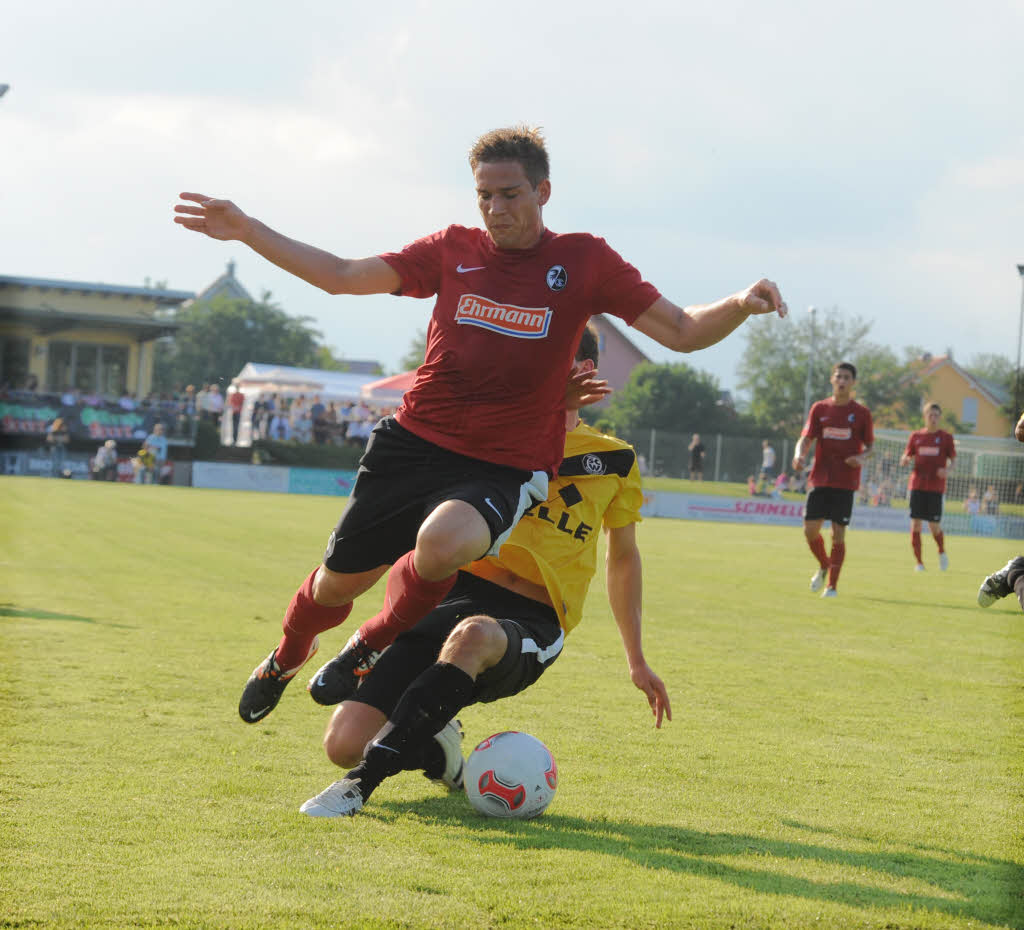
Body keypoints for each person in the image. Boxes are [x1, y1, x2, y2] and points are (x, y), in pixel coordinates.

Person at [173, 125, 787, 724]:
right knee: (334, 587)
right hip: (413, 444)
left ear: (544, 192)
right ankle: (285, 657)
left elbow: (680, 330)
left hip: (504, 463)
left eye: (510, 195)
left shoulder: (584, 261)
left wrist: (739, 304)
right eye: (484, 196)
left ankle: (371, 641)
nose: (495, 209)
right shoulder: (452, 249)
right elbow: (344, 276)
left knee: (442, 545)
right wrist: (248, 231)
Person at [300, 327, 670, 817]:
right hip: (455, 593)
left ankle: (359, 785)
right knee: (342, 742)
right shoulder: (487, 438)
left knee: (473, 636)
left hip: (534, 619)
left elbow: (622, 558)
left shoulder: (616, 458)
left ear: (584, 370)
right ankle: (438, 744)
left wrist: (637, 659)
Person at [792, 361, 873, 598]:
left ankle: (832, 586)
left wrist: (861, 457)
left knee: (838, 533)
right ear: (832, 380)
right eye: (838, 376)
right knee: (810, 531)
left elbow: (871, 447)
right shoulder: (819, 408)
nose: (842, 381)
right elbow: (806, 438)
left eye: (847, 377)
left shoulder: (861, 414)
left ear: (853, 383)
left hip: (845, 481)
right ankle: (825, 564)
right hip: (820, 478)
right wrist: (799, 455)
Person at [899, 402, 955, 572]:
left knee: (934, 526)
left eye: (936, 415)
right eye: (930, 415)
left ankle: (942, 552)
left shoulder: (945, 437)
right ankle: (919, 563)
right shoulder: (916, 436)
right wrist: (905, 460)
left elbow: (954, 460)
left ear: (940, 417)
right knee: (915, 524)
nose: (933, 418)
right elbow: (907, 454)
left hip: (936, 488)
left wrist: (947, 470)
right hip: (917, 485)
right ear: (925, 417)